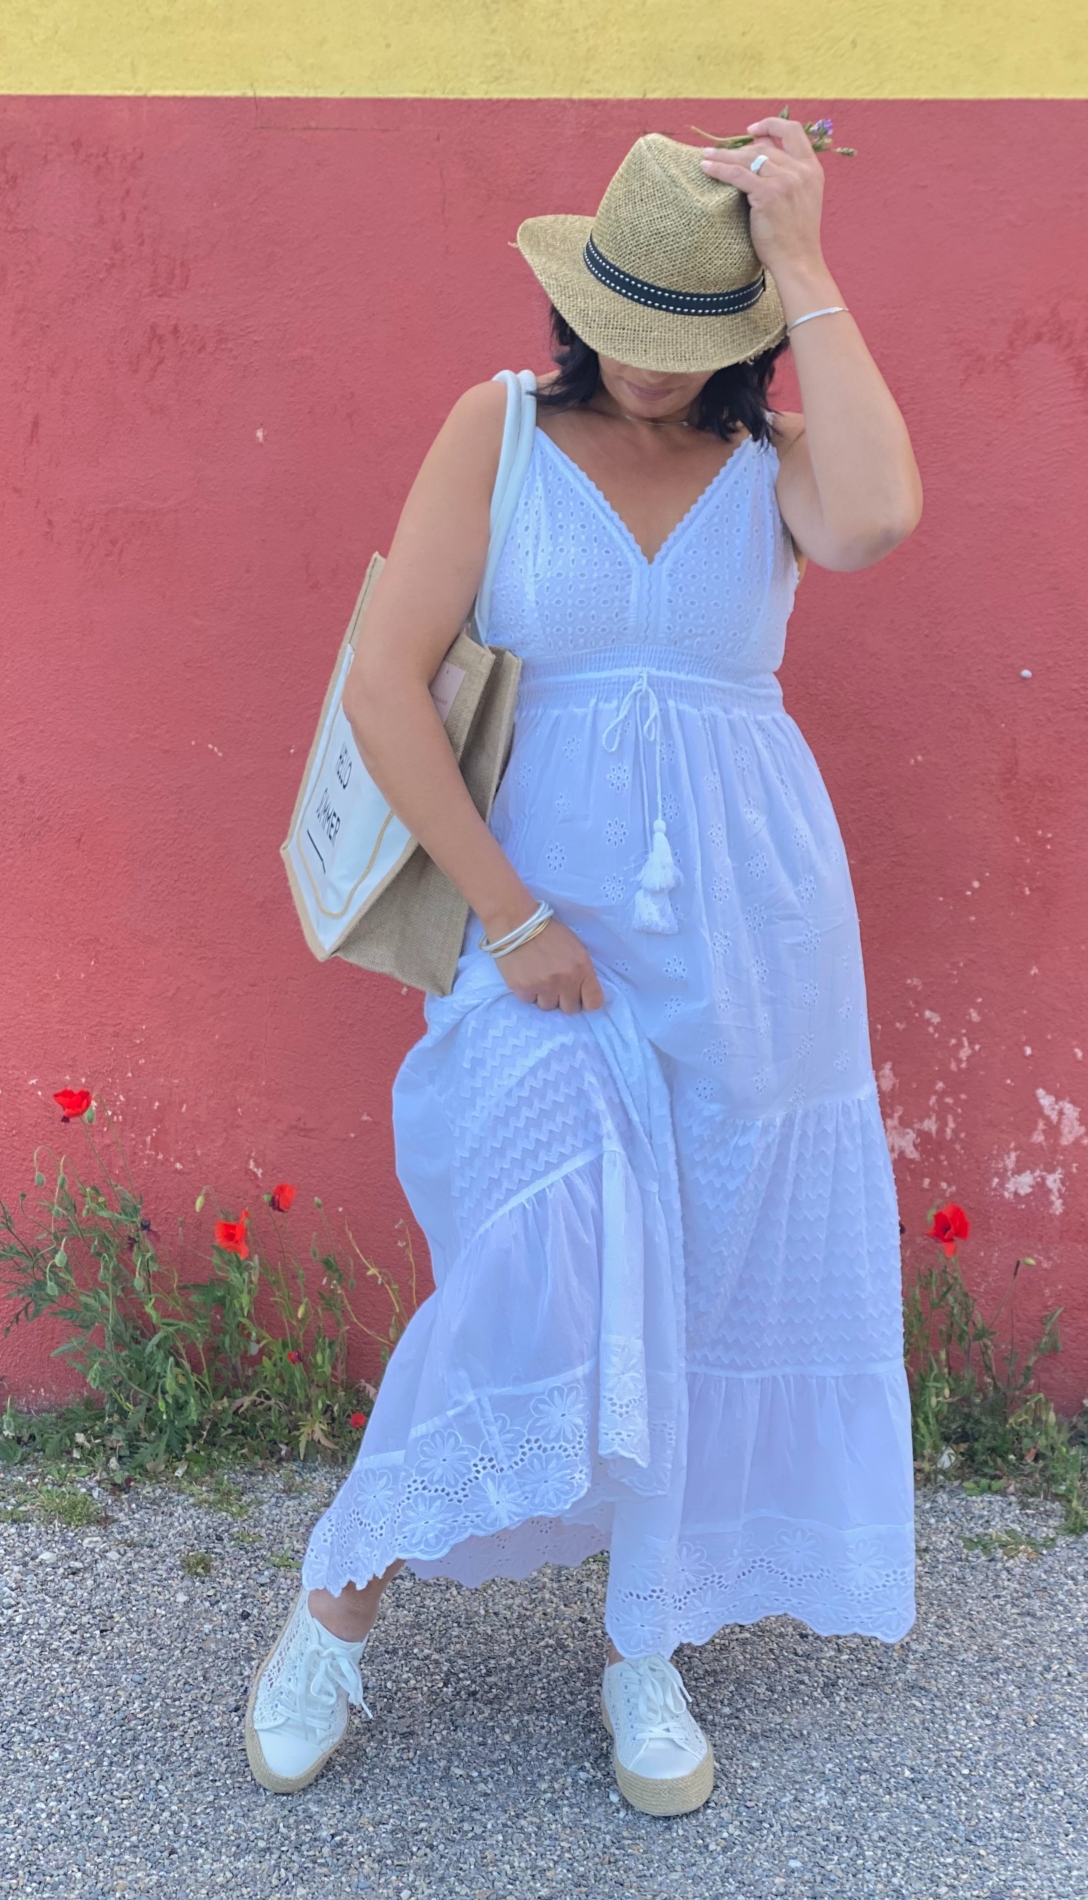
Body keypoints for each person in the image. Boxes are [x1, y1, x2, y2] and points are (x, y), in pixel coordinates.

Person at [245, 118, 923, 1817]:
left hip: (755, 936)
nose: (644, 363)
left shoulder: (780, 464)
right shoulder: (496, 430)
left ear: (746, 331)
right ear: (573, 303)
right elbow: (387, 684)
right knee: (531, 1261)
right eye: (621, 323)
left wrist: (805, 253)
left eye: (686, 333)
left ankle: (645, 1647)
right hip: (534, 929)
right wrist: (511, 917)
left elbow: (880, 519)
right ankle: (334, 1607)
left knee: (705, 1281)